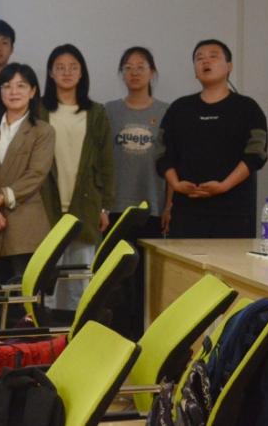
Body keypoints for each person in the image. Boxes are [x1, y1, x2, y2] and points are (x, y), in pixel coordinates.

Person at [156, 39, 268, 239]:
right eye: (199, 58)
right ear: (195, 70)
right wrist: (176, 184)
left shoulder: (247, 108)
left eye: (213, 56)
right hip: (186, 211)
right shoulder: (179, 108)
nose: (205, 61)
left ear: (229, 66)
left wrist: (225, 185)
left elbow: (257, 153)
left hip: (234, 211)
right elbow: (162, 152)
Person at [0, 63, 54, 325]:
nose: (13, 92)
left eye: (21, 86)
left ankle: (21, 349)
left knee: (22, 303)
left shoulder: (42, 131)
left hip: (25, 228)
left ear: (33, 91)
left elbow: (36, 174)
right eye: (7, 86)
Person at [38, 44, 113, 312]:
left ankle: (75, 332)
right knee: (46, 282)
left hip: (86, 205)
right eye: (60, 67)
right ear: (50, 73)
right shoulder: (39, 110)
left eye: (73, 67)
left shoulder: (96, 112)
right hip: (46, 205)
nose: (67, 72)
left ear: (82, 73)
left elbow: (106, 162)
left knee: (80, 281)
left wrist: (105, 206)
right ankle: (46, 333)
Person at [105, 46, 169, 338]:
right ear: (121, 73)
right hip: (116, 208)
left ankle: (145, 338)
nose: (134, 72)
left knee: (147, 279)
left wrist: (169, 205)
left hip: (152, 207)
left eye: (141, 66)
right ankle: (117, 338)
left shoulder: (166, 112)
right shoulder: (109, 111)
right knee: (116, 281)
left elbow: (172, 164)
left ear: (152, 72)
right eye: (128, 67)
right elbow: (101, 162)